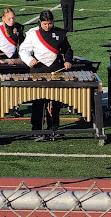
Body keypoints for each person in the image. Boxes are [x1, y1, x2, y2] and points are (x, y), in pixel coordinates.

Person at [19, 10, 73, 138]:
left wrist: (68, 60)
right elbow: (23, 50)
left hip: (56, 70)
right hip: (38, 70)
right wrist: (29, 60)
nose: (47, 26)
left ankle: (54, 128)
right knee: (38, 101)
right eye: (45, 24)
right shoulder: (33, 34)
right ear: (40, 22)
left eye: (50, 23)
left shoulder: (60, 33)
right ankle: (36, 129)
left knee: (55, 101)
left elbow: (67, 49)